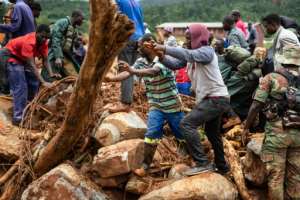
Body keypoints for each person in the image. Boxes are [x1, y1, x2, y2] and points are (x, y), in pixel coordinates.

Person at [154, 24, 232, 175]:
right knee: (212, 134)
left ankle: (203, 162)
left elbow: (188, 55)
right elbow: (175, 65)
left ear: (199, 38)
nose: (187, 41)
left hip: (215, 98)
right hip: (213, 99)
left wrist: (164, 48)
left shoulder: (207, 51)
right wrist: (159, 55)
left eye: (190, 38)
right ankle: (222, 166)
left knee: (186, 124)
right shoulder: (193, 55)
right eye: (186, 38)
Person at [105, 34, 184, 177]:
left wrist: (132, 71)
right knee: (151, 134)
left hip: (172, 106)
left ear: (149, 44)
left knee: (181, 134)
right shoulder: (141, 61)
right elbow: (127, 74)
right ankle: (145, 166)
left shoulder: (162, 59)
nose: (138, 48)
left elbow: (153, 72)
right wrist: (112, 79)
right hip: (156, 105)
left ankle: (193, 155)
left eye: (140, 45)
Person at [242, 45, 300, 199]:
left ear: (281, 59)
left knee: (275, 176)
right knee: (295, 177)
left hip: (277, 135)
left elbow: (256, 105)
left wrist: (246, 127)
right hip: (298, 134)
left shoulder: (271, 77)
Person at [4, 24, 58, 126]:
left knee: (34, 84)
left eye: (46, 37)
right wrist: (43, 82)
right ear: (36, 33)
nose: (44, 39)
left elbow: (45, 60)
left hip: (23, 60)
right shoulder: (28, 42)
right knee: (21, 87)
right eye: (42, 36)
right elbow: (32, 65)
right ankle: (18, 117)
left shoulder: (44, 43)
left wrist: (51, 74)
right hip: (12, 58)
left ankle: (28, 112)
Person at [108, 0, 145, 113]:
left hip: (127, 37)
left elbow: (115, 17)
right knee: (132, 70)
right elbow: (141, 20)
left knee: (125, 70)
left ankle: (125, 103)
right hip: (139, 38)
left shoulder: (118, 1)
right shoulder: (136, 2)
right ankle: (129, 101)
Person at [42, 10, 84, 81]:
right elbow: (55, 39)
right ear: (76, 17)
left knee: (75, 76)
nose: (82, 21)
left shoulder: (73, 28)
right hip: (55, 54)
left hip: (65, 56)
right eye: (81, 18)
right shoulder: (63, 22)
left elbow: (70, 44)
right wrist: (58, 57)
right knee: (49, 76)